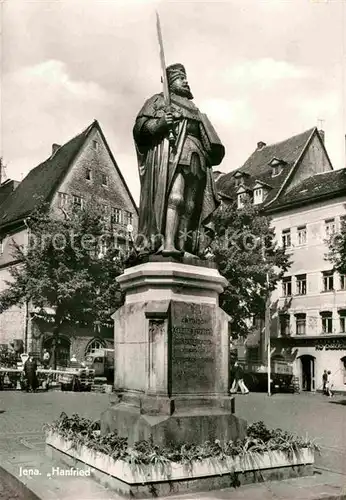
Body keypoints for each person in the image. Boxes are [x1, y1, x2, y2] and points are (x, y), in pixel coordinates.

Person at [133, 63, 225, 257]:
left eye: (185, 78)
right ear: (170, 82)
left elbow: (206, 136)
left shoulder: (193, 107)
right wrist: (160, 124)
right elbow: (140, 129)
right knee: (175, 197)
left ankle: (184, 246)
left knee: (192, 204)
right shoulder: (157, 101)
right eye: (180, 78)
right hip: (174, 155)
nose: (186, 81)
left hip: (197, 156)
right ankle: (168, 244)